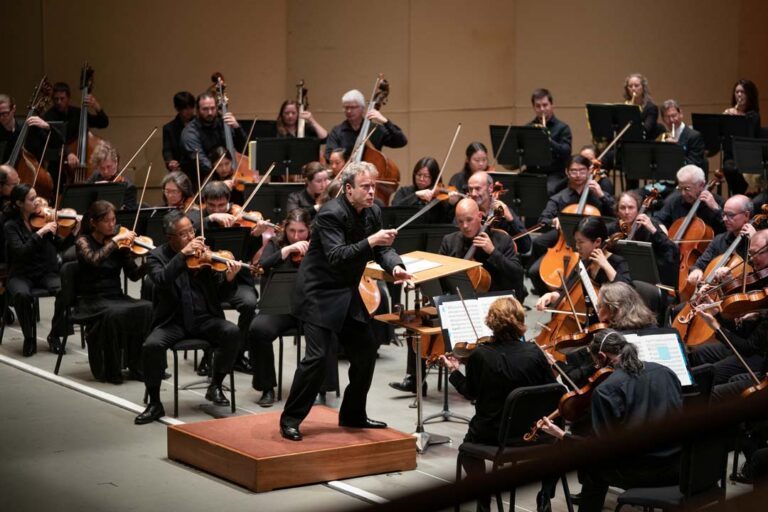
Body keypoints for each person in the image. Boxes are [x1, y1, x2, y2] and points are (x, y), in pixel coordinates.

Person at [279, 162, 414, 441]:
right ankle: (290, 419)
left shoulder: (373, 211)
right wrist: (372, 241)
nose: (372, 191)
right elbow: (337, 255)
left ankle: (352, 414)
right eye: (365, 187)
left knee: (366, 350)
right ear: (348, 189)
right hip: (318, 293)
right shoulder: (330, 213)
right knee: (317, 359)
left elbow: (383, 249)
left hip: (346, 291)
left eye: (373, 186)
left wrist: (396, 267)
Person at [389, 198, 525, 395]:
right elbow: (437, 272)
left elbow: (517, 273)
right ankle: (415, 379)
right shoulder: (450, 240)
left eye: (469, 220)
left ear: (480, 216)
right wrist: (417, 279)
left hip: (490, 308)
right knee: (419, 322)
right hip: (455, 303)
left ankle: (477, 384)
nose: (465, 226)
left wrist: (492, 252)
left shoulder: (501, 240)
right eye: (460, 221)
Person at [539, 329, 682, 512]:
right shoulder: (665, 372)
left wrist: (562, 435)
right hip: (679, 465)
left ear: (602, 356)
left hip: (642, 473)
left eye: (595, 361)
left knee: (594, 468)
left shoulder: (606, 390)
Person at [441, 296, 555, 512]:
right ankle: (545, 496)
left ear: (491, 322)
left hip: (493, 435)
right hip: (535, 434)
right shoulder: (535, 353)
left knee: (467, 451)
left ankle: (483, 499)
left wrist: (454, 371)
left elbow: (470, 392)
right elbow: (551, 390)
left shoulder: (481, 355)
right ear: (520, 320)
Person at [134, 210, 241, 425]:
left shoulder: (204, 254)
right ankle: (154, 402)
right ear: (170, 237)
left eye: (192, 231)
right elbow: (161, 280)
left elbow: (221, 296)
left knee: (232, 332)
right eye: (184, 234)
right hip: (172, 321)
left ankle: (215, 385)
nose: (191, 237)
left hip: (204, 319)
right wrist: (182, 255)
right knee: (151, 346)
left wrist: (229, 279)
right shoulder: (156, 256)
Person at [74, 200, 151, 383]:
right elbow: (94, 259)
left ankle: (138, 367)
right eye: (106, 221)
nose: (112, 225)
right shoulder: (83, 241)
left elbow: (133, 275)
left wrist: (149, 264)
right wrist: (115, 242)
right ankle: (112, 369)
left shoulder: (119, 244)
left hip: (115, 296)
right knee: (114, 314)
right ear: (93, 222)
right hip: (92, 299)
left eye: (114, 220)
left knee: (147, 307)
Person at [199, 181, 268, 374]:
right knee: (203, 305)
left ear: (228, 202)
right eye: (212, 206)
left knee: (249, 304)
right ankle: (209, 355)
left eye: (221, 205)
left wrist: (256, 236)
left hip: (238, 279)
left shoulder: (240, 219)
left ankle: (237, 354)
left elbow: (247, 254)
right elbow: (190, 234)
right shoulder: (199, 219)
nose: (217, 210)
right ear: (205, 203)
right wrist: (210, 218)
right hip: (207, 280)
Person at [687, 228, 768, 390]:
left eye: (756, 254)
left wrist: (717, 328)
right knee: (697, 354)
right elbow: (742, 330)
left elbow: (749, 346)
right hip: (748, 343)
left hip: (759, 355)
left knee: (712, 373)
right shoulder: (759, 277)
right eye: (750, 254)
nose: (751, 259)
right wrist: (717, 313)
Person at [248, 208, 311, 406]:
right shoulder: (276, 243)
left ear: (309, 230)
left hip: (308, 308)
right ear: (285, 228)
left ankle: (318, 388)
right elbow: (261, 266)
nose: (296, 236)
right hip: (279, 308)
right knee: (258, 329)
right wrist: (286, 251)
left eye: (301, 231)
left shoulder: (316, 244)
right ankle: (266, 388)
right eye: (292, 231)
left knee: (326, 328)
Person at [528, 155, 616, 295]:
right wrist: (554, 221)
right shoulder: (560, 197)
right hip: (566, 243)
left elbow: (615, 214)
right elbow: (543, 220)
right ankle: (550, 300)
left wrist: (601, 195)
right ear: (567, 172)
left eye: (582, 170)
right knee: (534, 272)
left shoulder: (598, 194)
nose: (578, 175)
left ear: (589, 171)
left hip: (592, 246)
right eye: (574, 171)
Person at [3, 184, 72, 356]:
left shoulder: (44, 220)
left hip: (45, 273)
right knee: (21, 295)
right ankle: (29, 337)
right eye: (32, 199)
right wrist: (40, 233)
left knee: (65, 291)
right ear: (19, 203)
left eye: (36, 197)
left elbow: (61, 246)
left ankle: (55, 335)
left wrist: (73, 233)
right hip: (20, 274)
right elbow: (20, 252)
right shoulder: (11, 226)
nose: (37, 202)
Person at [535, 216, 632, 312]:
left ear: (597, 241)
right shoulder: (584, 261)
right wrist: (550, 296)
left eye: (580, 242)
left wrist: (606, 266)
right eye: (576, 242)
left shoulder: (617, 262)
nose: (577, 247)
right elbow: (565, 291)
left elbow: (627, 293)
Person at [29, 81, 109, 171]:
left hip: (79, 162)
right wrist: (67, 153)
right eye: (56, 99)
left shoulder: (78, 113)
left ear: (68, 98)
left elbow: (103, 123)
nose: (59, 102)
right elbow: (51, 143)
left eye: (62, 98)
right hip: (58, 165)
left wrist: (96, 105)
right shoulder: (48, 117)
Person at [610, 190, 679, 288]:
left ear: (638, 209)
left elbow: (672, 250)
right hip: (623, 277)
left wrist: (653, 230)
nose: (626, 212)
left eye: (631, 207)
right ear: (617, 210)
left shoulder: (650, 226)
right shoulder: (613, 228)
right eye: (622, 208)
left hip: (649, 280)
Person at [686, 194, 754, 289]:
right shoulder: (719, 240)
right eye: (724, 214)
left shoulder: (759, 240)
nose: (724, 219)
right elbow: (699, 265)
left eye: (730, 215)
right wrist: (696, 271)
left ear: (746, 215)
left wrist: (754, 240)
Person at [180, 92, 246, 185]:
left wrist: (237, 128)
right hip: (202, 181)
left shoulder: (223, 124)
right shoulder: (190, 132)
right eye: (205, 109)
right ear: (197, 110)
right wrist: (225, 173)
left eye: (212, 108)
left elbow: (244, 148)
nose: (210, 112)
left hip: (227, 178)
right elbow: (201, 162)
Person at [324, 89, 407, 161]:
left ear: (362, 108)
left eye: (353, 107)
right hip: (345, 173)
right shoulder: (337, 131)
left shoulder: (375, 129)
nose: (349, 111)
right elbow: (328, 155)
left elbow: (401, 141)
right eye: (346, 107)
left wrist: (385, 121)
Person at [467, 171, 531, 255]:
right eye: (470, 189)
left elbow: (526, 247)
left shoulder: (502, 212)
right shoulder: (467, 211)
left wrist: (510, 219)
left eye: (478, 189)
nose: (473, 194)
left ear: (490, 188)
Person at [525, 88, 573, 195]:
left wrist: (549, 141)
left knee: (547, 190)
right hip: (532, 172)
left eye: (545, 105)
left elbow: (566, 152)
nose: (542, 109)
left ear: (552, 105)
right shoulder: (528, 128)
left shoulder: (563, 128)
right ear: (533, 107)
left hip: (555, 174)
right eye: (538, 106)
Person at [653, 164, 725, 234]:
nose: (683, 193)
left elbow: (728, 229)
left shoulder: (718, 202)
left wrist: (716, 209)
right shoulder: (675, 201)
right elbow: (656, 220)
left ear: (701, 185)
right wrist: (662, 231)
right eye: (680, 188)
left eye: (687, 188)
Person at [722, 80, 761, 194]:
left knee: (739, 170)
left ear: (749, 95)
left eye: (742, 92)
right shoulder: (729, 113)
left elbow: (750, 137)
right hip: (731, 156)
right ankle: (736, 195)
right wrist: (725, 119)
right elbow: (724, 138)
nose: (739, 95)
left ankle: (737, 196)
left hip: (747, 156)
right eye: (737, 92)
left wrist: (738, 119)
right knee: (729, 168)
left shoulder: (754, 116)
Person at [391, 156, 453, 222]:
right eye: (419, 175)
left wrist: (452, 205)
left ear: (434, 177)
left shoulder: (440, 197)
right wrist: (416, 195)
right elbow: (393, 211)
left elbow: (448, 219)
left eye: (426, 176)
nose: (421, 179)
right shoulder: (404, 192)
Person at [86, 140, 138, 209]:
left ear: (116, 162)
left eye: (109, 167)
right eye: (102, 168)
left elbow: (128, 213)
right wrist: (95, 187)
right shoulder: (95, 176)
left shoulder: (129, 187)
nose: (106, 171)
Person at [659, 99, 708, 172]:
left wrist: (675, 148)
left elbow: (693, 165)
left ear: (681, 114)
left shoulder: (694, 136)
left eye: (674, 115)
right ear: (663, 119)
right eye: (667, 117)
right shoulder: (663, 136)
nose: (671, 120)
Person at [162, 91, 196, 172]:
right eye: (185, 108)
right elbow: (167, 149)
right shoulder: (169, 128)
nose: (189, 111)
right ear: (177, 109)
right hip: (180, 168)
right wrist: (170, 161)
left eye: (191, 107)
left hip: (199, 167)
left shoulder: (199, 124)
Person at [0, 94, 22, 163]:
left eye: (5, 113)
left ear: (13, 109)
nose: (1, 118)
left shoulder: (24, 128)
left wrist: (47, 126)